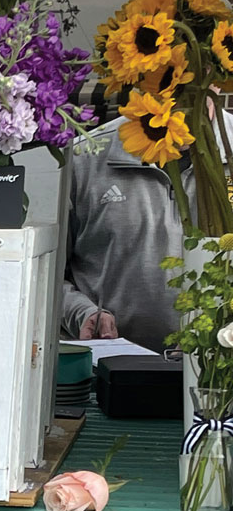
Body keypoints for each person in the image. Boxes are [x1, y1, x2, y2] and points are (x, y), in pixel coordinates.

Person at [61, 116, 186, 349]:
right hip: (109, 365)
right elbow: (46, 273)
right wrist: (82, 312)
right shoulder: (85, 157)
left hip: (221, 368)